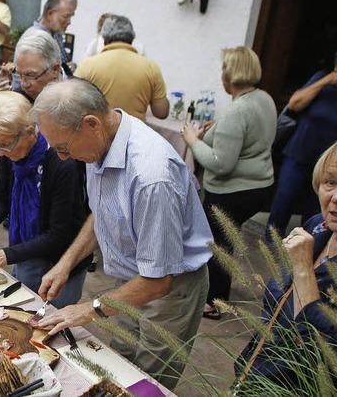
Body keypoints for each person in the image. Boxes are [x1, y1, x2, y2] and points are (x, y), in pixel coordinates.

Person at [33, 79, 212, 390]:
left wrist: (89, 309)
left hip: (170, 290)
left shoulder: (151, 176)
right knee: (121, 363)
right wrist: (66, 263)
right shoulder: (99, 142)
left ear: (91, 124)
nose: (62, 157)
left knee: (146, 383)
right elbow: (103, 212)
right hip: (130, 280)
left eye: (63, 148)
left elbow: (158, 280)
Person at [235, 138, 337, 392]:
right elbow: (279, 308)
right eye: (331, 182)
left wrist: (304, 270)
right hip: (258, 375)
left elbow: (329, 347)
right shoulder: (318, 226)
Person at [182, 46, 277, 319]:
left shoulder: (237, 112)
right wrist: (219, 129)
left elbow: (219, 164)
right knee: (226, 239)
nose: (221, 74)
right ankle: (217, 296)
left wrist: (192, 140)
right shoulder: (264, 99)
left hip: (233, 190)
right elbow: (249, 137)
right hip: (259, 185)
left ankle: (214, 302)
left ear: (230, 74)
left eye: (223, 69)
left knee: (219, 244)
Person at [0, 91, 88, 307]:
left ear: (28, 132)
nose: (1, 154)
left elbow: (58, 235)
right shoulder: (10, 150)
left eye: (5, 145)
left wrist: (7, 255)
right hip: (28, 250)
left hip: (61, 260)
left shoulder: (62, 162)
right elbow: (3, 197)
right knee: (22, 307)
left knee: (51, 317)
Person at [267, 45, 337, 236]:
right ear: (336, 66)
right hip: (299, 153)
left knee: (315, 210)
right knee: (283, 200)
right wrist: (326, 80)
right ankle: (271, 243)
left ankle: (307, 245)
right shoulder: (322, 79)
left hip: (330, 164)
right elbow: (295, 104)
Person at [74, 15, 168, 122]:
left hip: (96, 134)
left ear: (104, 40)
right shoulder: (151, 67)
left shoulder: (87, 65)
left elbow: (72, 105)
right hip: (134, 134)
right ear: (132, 40)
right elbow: (161, 112)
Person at [28, 0, 74, 78]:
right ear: (50, 14)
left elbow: (64, 61)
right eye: (66, 16)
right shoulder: (36, 39)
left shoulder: (55, 34)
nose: (69, 22)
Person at [12, 29, 62, 103]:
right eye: (19, 75)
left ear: (55, 70)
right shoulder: (18, 100)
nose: (23, 84)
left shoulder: (76, 98)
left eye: (30, 75)